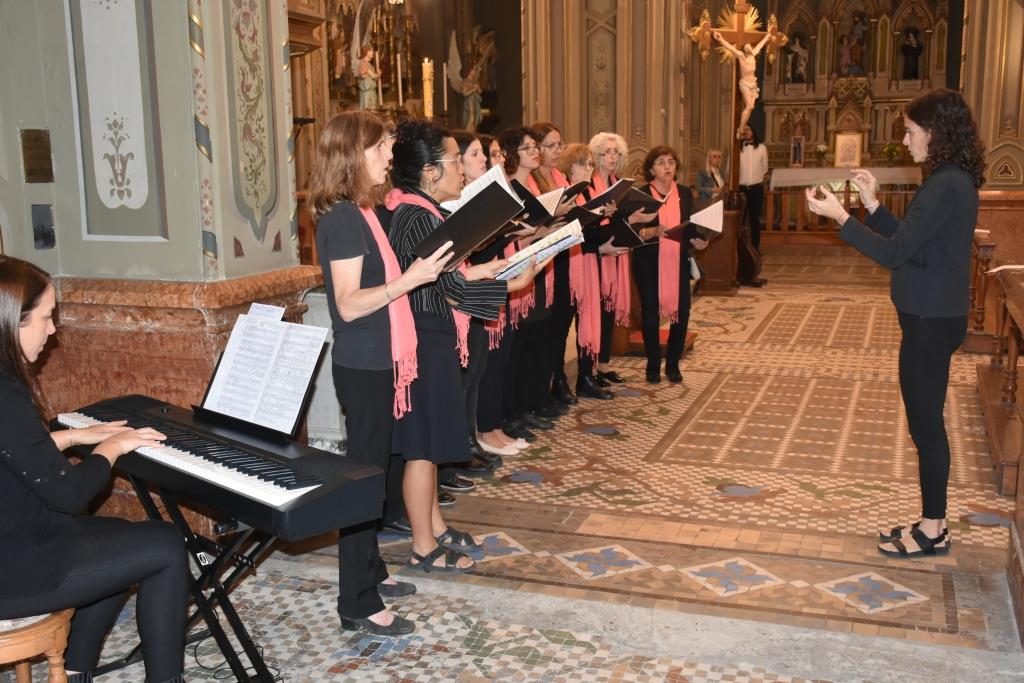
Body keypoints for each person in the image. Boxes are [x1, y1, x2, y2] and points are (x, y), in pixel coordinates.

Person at [805, 88, 986, 559]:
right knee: (925, 424)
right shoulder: (950, 180)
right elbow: (912, 241)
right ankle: (934, 520)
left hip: (929, 322)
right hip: (932, 317)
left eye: (910, 131)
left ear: (935, 132)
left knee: (926, 428)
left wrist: (841, 216)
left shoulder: (945, 184)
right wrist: (872, 206)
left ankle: (933, 529)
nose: (905, 141)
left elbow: (893, 254)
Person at [0, 255, 188, 683]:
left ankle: (77, 670)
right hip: (11, 566)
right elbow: (69, 494)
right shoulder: (5, 395)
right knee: (166, 547)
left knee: (124, 544)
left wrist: (70, 438)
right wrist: (111, 447)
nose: (52, 330)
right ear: (12, 321)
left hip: (14, 537)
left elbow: (13, 453)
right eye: (46, 318)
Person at [310, 111, 455, 635]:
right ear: (351, 155)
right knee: (362, 485)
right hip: (366, 364)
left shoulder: (363, 212)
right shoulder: (345, 219)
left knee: (374, 477)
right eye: (378, 149)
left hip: (382, 360)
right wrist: (410, 281)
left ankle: (370, 570)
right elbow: (348, 305)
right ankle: (357, 601)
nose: (388, 157)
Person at [385, 119, 544, 576]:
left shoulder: (425, 210)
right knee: (421, 447)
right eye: (455, 159)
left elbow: (450, 278)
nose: (461, 167)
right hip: (424, 336)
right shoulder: (414, 216)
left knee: (432, 446)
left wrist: (505, 271)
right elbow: (443, 288)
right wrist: (509, 286)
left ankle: (433, 525)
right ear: (431, 171)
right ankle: (422, 546)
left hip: (435, 335)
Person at [634, 146, 707, 384]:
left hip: (678, 262)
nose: (667, 166)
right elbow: (632, 233)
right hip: (648, 263)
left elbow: (691, 227)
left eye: (671, 162)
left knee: (682, 315)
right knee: (650, 317)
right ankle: (653, 365)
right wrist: (653, 230)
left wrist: (700, 241)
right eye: (661, 162)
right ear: (651, 169)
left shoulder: (684, 193)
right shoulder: (641, 194)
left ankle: (673, 364)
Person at [530, 122, 579, 409]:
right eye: (550, 145)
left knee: (561, 325)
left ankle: (557, 377)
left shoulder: (559, 176)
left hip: (564, 254)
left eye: (559, 145)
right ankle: (548, 385)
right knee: (546, 329)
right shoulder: (534, 181)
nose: (557, 151)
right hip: (545, 258)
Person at [558, 143, 611, 400]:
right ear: (569, 166)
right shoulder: (565, 193)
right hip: (569, 265)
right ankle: (559, 381)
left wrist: (610, 216)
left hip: (589, 260)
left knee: (589, 321)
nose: (588, 169)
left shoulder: (589, 193)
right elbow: (570, 234)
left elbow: (592, 233)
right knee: (563, 326)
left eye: (591, 164)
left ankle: (586, 377)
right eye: (582, 164)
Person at [713, 30, 772, 138]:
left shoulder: (753, 55)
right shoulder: (741, 56)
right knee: (749, 106)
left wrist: (766, 38)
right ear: (744, 50)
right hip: (745, 84)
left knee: (752, 107)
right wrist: (720, 39)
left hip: (753, 84)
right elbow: (730, 48)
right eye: (747, 47)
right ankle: (740, 129)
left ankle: (742, 127)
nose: (749, 48)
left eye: (750, 46)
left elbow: (760, 45)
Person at [739, 124, 769, 260]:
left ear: (753, 132)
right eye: (743, 130)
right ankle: (739, 248)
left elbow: (764, 167)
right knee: (740, 219)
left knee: (754, 219)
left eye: (748, 129)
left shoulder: (762, 148)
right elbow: (731, 167)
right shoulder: (737, 148)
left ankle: (755, 247)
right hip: (741, 188)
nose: (746, 131)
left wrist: (755, 180)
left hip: (756, 188)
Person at [357, 46, 380, 111]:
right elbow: (373, 76)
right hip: (367, 90)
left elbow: (373, 78)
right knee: (367, 109)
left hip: (370, 89)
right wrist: (378, 74)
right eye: (371, 51)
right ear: (366, 52)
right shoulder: (363, 63)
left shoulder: (368, 64)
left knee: (371, 109)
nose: (373, 52)